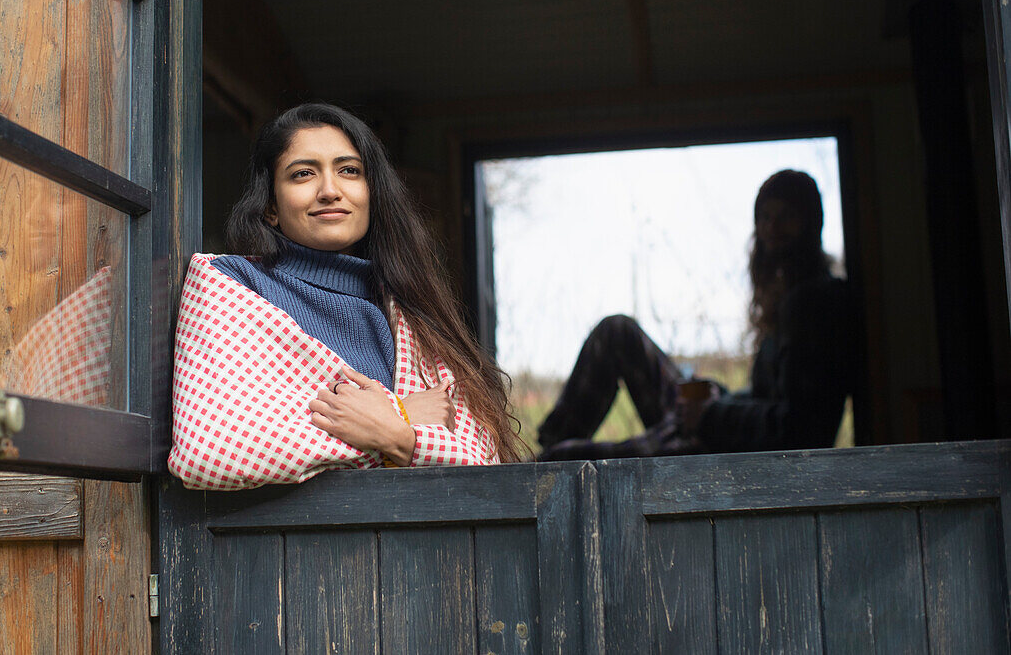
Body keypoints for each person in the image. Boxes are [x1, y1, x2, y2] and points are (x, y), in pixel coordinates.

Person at [168, 103, 522, 489]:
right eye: (303, 174)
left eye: (349, 171)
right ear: (270, 206)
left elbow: (482, 462)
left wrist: (394, 434)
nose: (330, 190)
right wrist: (399, 420)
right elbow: (211, 451)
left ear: (372, 193)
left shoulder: (408, 311)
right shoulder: (232, 283)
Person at [537, 169, 856, 460]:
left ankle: (535, 464)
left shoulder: (814, 302)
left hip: (716, 451)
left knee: (560, 459)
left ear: (811, 223)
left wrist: (710, 414)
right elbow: (767, 399)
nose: (773, 227)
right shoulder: (792, 298)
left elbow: (801, 429)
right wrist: (719, 397)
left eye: (787, 216)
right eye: (766, 217)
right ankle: (545, 445)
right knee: (617, 332)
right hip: (714, 430)